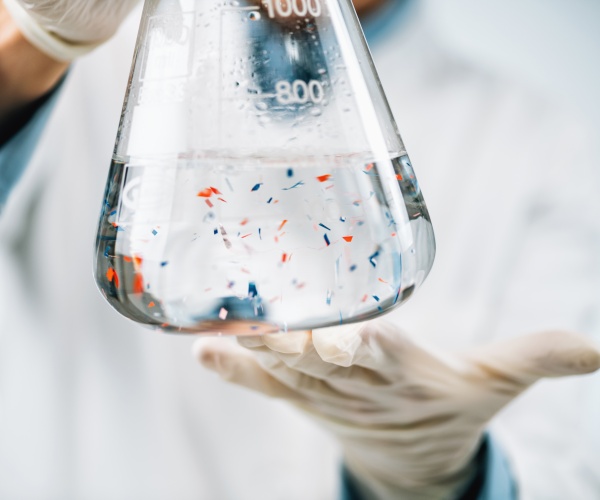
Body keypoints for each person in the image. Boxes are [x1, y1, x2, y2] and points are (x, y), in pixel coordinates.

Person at [1, 0, 599, 498]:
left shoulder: (545, 146)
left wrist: (448, 476)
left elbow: (555, 469)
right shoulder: (95, 55)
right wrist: (30, 50)